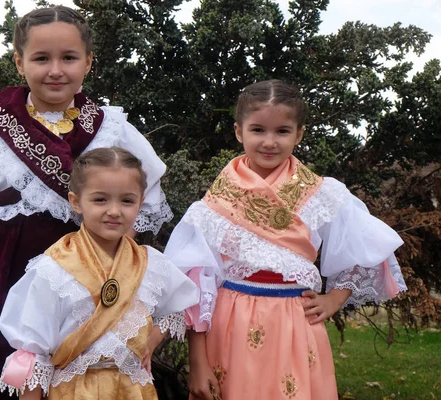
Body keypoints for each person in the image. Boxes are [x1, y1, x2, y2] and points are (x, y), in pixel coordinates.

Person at [0, 6, 173, 400]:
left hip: (87, 292)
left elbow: (136, 219)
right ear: (19, 62)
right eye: (41, 58)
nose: (56, 70)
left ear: (88, 62)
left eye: (69, 58)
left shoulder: (113, 130)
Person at [164, 80, 407, 400]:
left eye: (282, 131)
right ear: (239, 132)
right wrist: (197, 361)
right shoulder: (213, 206)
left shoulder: (321, 195)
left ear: (299, 133)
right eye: (258, 130)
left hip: (294, 324)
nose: (269, 141)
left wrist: (334, 299)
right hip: (230, 327)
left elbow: (365, 247)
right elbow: (197, 283)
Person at [0, 147, 199, 399]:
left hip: (133, 390)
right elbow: (32, 352)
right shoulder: (54, 269)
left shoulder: (151, 264)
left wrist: (148, 343)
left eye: (127, 200)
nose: (114, 211)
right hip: (73, 390)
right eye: (100, 199)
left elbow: (175, 307)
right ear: (76, 201)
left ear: (140, 202)